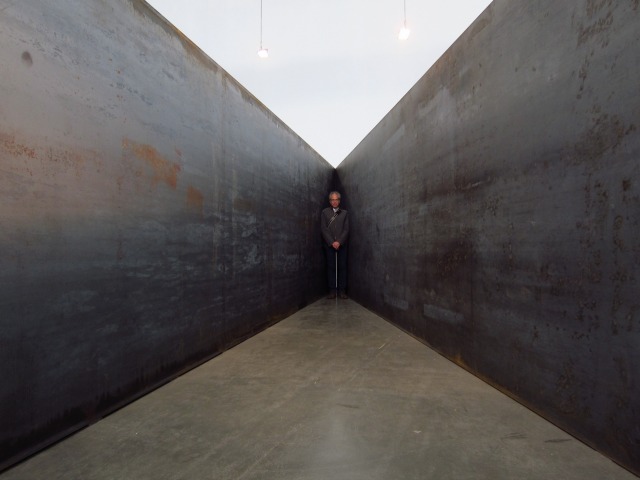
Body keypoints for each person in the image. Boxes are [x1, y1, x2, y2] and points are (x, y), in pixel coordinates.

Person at [321, 191, 349, 299]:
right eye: (332, 200)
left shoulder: (345, 213)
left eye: (336, 199)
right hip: (329, 244)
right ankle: (332, 291)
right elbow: (323, 229)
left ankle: (342, 291)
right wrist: (332, 242)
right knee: (331, 267)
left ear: (339, 200)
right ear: (329, 201)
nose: (334, 202)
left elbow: (346, 229)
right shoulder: (324, 212)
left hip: (342, 244)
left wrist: (339, 242)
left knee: (342, 267)